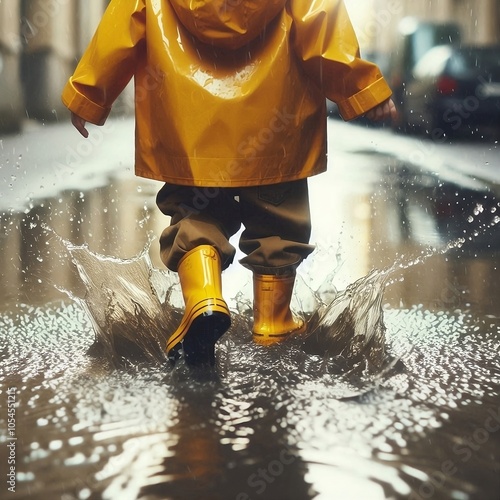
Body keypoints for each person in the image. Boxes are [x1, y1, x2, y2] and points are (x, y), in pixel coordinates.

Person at [62, 0, 397, 365]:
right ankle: (273, 321)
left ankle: (205, 298)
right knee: (279, 221)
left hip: (187, 124)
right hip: (275, 124)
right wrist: (363, 89)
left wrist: (89, 93)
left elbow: (121, 27)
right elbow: (323, 26)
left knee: (193, 213)